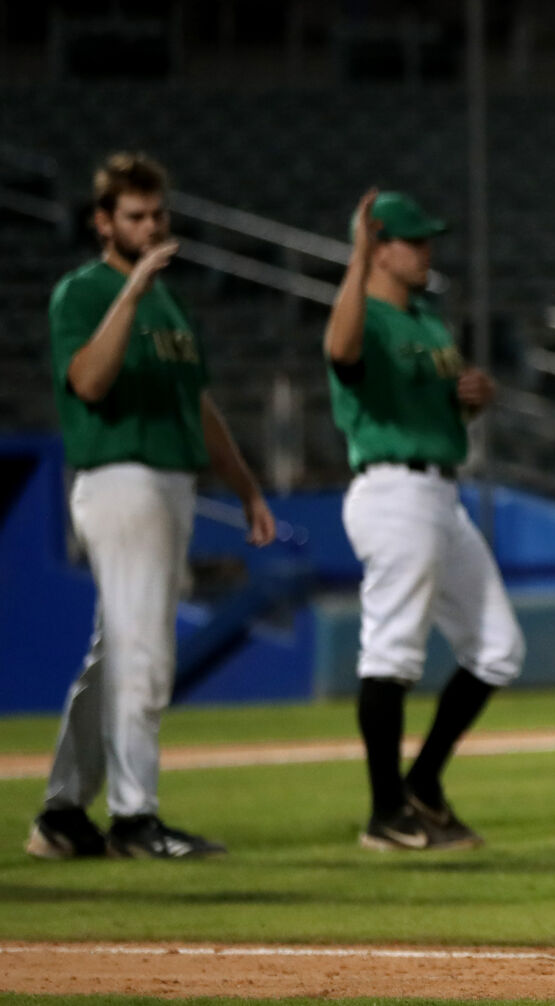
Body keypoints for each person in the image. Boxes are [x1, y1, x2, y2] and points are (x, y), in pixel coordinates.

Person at [28, 152, 275, 860]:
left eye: (157, 213)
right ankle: (136, 819)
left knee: (115, 652)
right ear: (103, 222)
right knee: (143, 650)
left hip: (169, 479)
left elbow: (195, 405)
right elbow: (89, 383)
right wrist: (129, 292)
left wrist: (248, 486)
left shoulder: (169, 304)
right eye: (135, 215)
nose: (152, 225)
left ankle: (63, 814)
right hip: (120, 477)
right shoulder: (84, 293)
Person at [325, 189, 524, 850]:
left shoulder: (429, 318)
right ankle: (385, 814)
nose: (426, 251)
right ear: (379, 248)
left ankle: (423, 786)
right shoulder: (369, 317)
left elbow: (444, 401)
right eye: (414, 241)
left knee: (498, 648)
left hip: (442, 490)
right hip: (392, 490)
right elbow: (341, 350)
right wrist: (354, 262)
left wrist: (472, 399)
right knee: (392, 651)